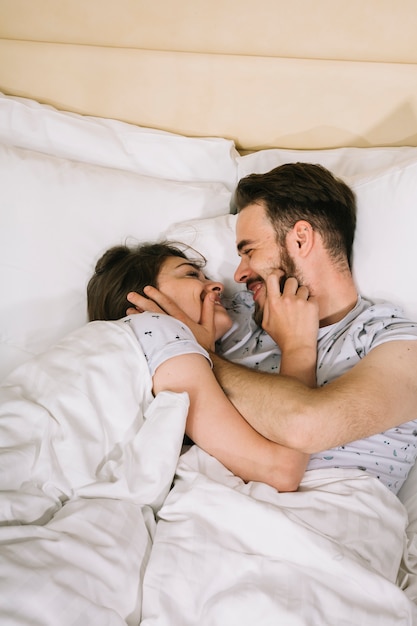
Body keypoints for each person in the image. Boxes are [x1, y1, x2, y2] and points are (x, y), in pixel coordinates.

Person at [126, 163, 417, 495]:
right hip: (206, 509)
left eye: (249, 251)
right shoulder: (228, 319)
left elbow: (306, 426)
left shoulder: (397, 343)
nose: (238, 275)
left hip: (326, 526)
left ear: (301, 239)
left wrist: (199, 353)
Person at [87, 241, 318, 492]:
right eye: (190, 274)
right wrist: (298, 346)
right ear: (143, 299)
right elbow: (281, 471)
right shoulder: (155, 329)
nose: (217, 286)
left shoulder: (158, 345)